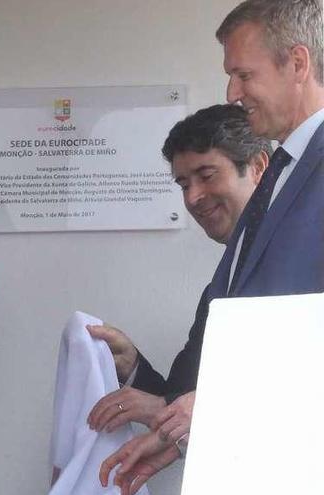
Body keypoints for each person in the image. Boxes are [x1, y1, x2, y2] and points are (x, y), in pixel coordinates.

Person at [102, 0, 324, 490]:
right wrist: (182, 431)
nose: (232, 92)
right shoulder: (281, 176)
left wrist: (220, 404)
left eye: (244, 74)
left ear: (299, 64)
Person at [87, 104, 270, 433]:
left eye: (207, 175)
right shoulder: (217, 289)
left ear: (258, 167)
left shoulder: (304, 261)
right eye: (184, 184)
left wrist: (176, 407)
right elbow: (181, 398)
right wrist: (132, 365)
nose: (194, 197)